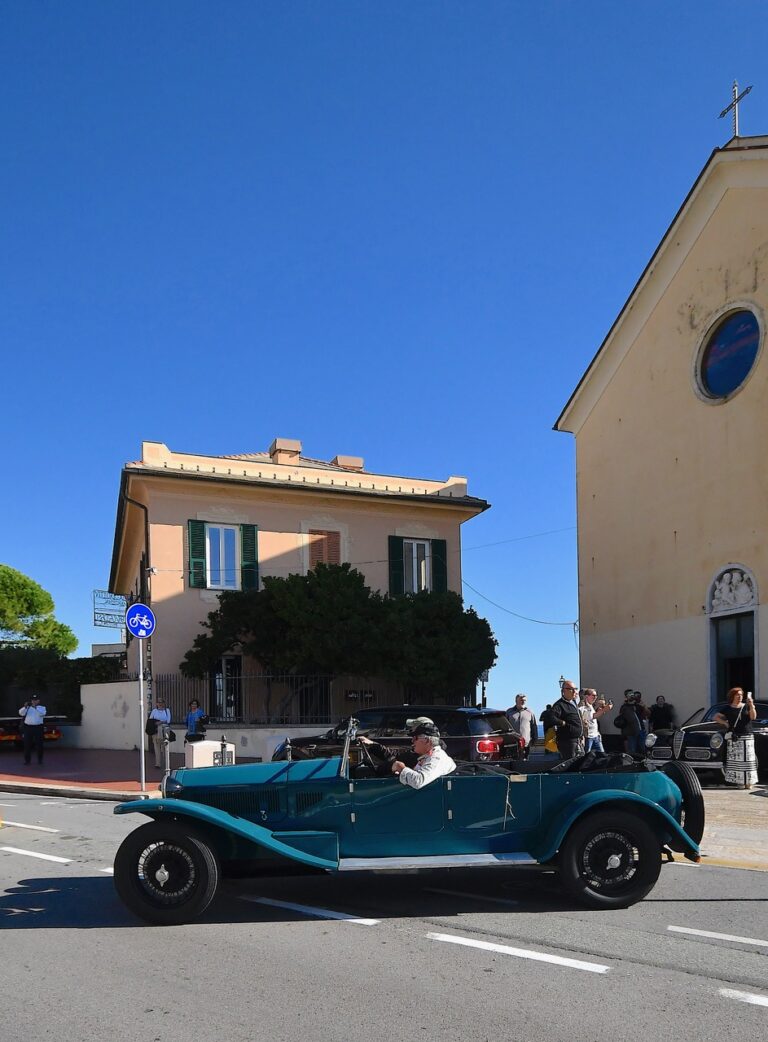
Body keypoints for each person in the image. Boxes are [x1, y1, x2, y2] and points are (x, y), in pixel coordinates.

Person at [387, 722, 456, 789]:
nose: (412, 741)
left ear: (427, 741)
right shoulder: (427, 756)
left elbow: (418, 781)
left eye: (415, 738)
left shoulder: (437, 758)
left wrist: (400, 767)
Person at [714, 687, 758, 787]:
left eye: (741, 695)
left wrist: (751, 705)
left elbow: (753, 717)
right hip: (734, 737)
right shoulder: (728, 708)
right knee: (736, 761)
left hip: (747, 736)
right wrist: (725, 723)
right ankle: (739, 782)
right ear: (732, 696)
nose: (740, 696)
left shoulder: (746, 706)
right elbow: (716, 717)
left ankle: (749, 782)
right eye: (737, 694)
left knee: (748, 760)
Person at [549, 680, 583, 760]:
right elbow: (551, 718)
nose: (574, 691)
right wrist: (563, 723)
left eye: (575, 688)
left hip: (577, 740)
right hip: (567, 741)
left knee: (579, 762)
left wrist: (582, 735)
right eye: (571, 689)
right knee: (570, 763)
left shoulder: (574, 703)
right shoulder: (559, 705)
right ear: (563, 690)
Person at [579, 689, 612, 753]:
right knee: (586, 757)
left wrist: (601, 710)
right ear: (586, 696)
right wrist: (604, 709)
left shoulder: (590, 705)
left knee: (601, 755)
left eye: (596, 696)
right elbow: (593, 716)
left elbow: (592, 718)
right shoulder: (582, 706)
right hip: (588, 737)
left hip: (595, 735)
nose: (595, 697)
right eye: (593, 695)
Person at [506, 693, 538, 758]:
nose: (523, 702)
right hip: (513, 743)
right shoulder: (509, 712)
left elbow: (534, 726)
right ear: (516, 701)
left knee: (525, 762)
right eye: (521, 700)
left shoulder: (530, 712)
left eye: (524, 700)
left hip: (526, 743)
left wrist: (534, 740)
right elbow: (505, 726)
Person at [19, 694, 47, 765]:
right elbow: (20, 713)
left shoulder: (42, 708)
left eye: (35, 700)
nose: (34, 701)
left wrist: (35, 707)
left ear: (38, 701)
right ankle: (27, 761)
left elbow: (43, 714)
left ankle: (40, 760)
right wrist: (25, 707)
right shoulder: (28, 708)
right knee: (27, 744)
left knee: (39, 744)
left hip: (38, 727)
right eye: (32, 700)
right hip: (28, 728)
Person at [148, 698, 172, 768]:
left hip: (164, 730)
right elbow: (150, 720)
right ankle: (158, 763)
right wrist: (156, 723)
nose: (160, 704)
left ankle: (166, 762)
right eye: (159, 702)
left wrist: (161, 722)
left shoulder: (167, 710)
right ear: (157, 704)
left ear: (164, 703)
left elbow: (168, 720)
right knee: (157, 747)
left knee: (165, 747)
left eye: (162, 702)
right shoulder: (154, 711)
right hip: (156, 731)